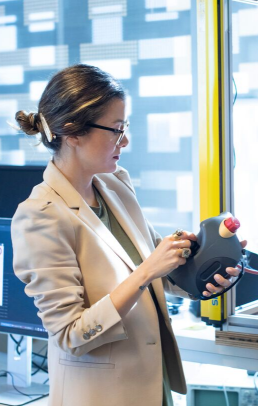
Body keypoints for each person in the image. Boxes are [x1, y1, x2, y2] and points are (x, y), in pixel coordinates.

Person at [11, 64, 244, 406]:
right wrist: (147, 270)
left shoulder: (114, 183)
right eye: (117, 130)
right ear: (73, 132)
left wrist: (207, 262)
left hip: (152, 387)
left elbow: (160, 271)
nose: (126, 141)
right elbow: (71, 335)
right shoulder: (40, 216)